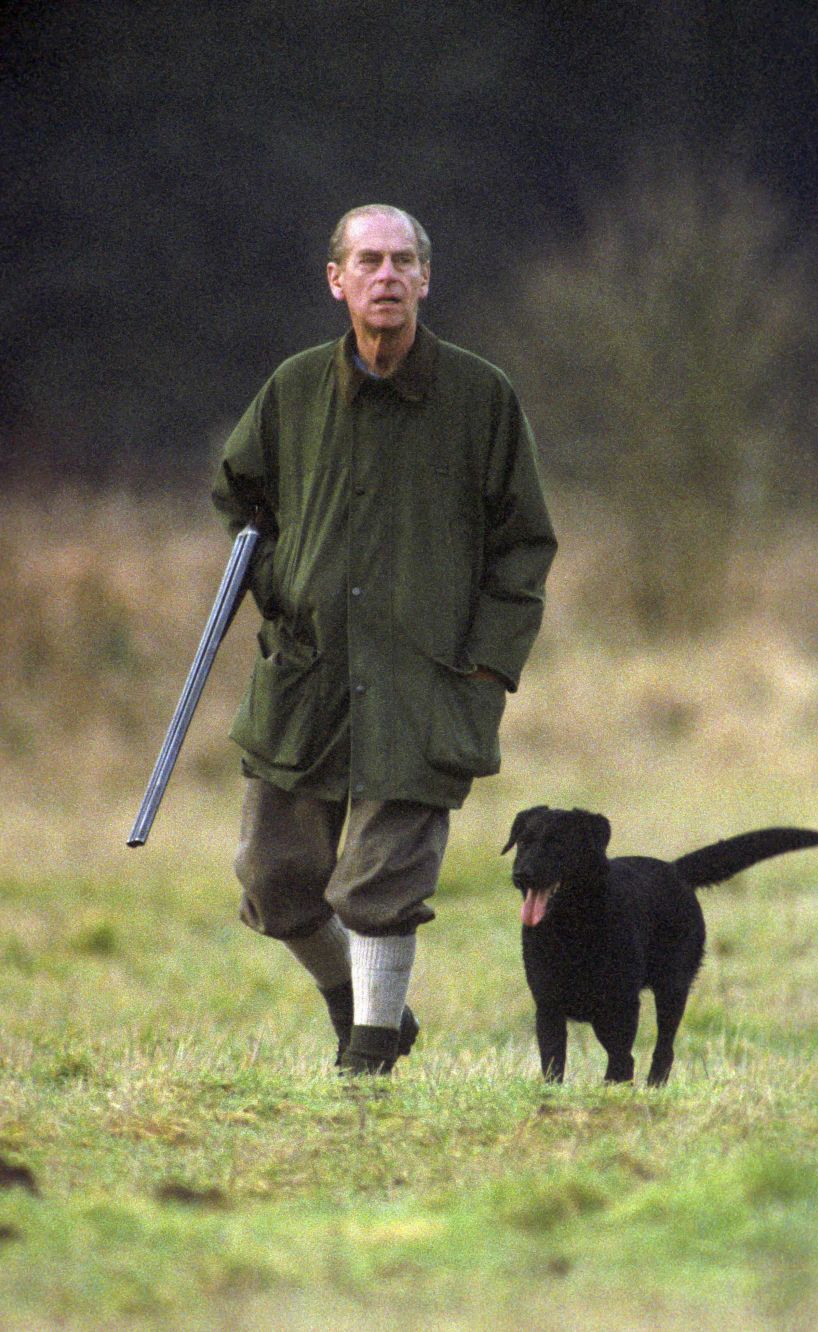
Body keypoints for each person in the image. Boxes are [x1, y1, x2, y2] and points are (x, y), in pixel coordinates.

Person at [211, 204, 556, 1074]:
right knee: (274, 879)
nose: (387, 276)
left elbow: (524, 544)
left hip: (431, 681)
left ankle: (368, 1058)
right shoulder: (292, 391)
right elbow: (240, 499)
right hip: (308, 678)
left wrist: (486, 666)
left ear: (427, 279)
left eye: (404, 261)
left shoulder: (482, 397)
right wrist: (280, 589)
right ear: (337, 280)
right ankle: (362, 1010)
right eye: (368, 261)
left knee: (379, 885)